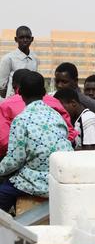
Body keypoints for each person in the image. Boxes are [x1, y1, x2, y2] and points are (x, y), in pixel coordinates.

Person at [0, 72, 72, 211]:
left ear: (19, 92)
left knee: (3, 192)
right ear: (44, 92)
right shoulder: (56, 115)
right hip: (61, 175)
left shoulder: (21, 120)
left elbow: (15, 160)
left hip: (37, 181)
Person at [0, 69, 76, 156]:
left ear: (15, 87)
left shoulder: (6, 105)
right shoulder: (55, 102)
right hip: (59, 157)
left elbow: (4, 142)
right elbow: (70, 132)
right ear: (43, 89)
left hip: (23, 159)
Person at [0, 26, 38, 98]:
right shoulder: (8, 58)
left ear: (32, 39)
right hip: (12, 99)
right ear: (16, 39)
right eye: (21, 37)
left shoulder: (35, 58)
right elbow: (1, 86)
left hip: (30, 99)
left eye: (28, 37)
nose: (25, 40)